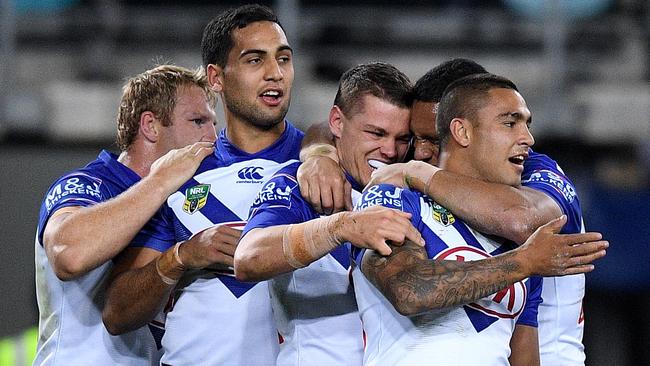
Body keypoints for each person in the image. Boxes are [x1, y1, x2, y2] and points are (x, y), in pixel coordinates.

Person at [102, 5, 360, 366]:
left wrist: (321, 152)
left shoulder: (327, 164)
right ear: (216, 78)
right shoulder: (181, 173)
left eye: (283, 59)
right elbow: (117, 313)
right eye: (255, 60)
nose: (275, 74)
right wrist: (182, 257)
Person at [352, 74, 608, 365]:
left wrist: (526, 261)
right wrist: (523, 263)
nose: (528, 138)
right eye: (510, 123)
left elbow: (523, 356)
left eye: (527, 124)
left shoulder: (521, 241)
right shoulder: (394, 198)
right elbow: (408, 290)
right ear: (462, 132)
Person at [234, 62, 423, 365]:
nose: (390, 150)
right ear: (337, 121)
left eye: (402, 139)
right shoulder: (299, 183)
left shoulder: (410, 188)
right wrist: (339, 228)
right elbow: (248, 258)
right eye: (376, 133)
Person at [34, 64, 217, 365]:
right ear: (150, 125)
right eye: (198, 121)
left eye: (213, 124)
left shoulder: (183, 202)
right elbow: (69, 254)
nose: (212, 136)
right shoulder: (88, 184)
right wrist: (159, 181)